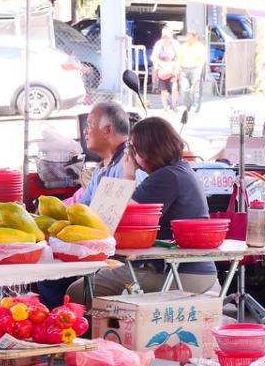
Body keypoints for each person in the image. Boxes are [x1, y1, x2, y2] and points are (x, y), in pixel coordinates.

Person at [66, 118, 217, 302]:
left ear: (146, 151)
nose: (133, 156)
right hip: (187, 267)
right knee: (92, 281)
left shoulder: (166, 177)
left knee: (79, 291)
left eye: (135, 150)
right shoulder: (181, 170)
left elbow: (121, 210)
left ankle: (101, 331)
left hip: (178, 271)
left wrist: (128, 175)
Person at [39, 102, 135, 308]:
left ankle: (66, 329)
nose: (85, 130)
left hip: (120, 255)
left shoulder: (129, 163)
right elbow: (81, 211)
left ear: (107, 129)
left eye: (90, 125)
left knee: (51, 280)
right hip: (97, 247)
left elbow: (128, 211)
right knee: (44, 270)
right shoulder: (102, 167)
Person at [151, 29, 179, 111]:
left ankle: (174, 105)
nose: (166, 39)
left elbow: (178, 58)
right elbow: (153, 57)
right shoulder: (159, 44)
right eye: (164, 37)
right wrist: (161, 64)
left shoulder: (175, 44)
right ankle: (165, 108)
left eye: (168, 37)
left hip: (172, 69)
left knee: (174, 88)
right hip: (162, 70)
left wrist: (176, 69)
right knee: (163, 90)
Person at [178, 31, 207, 111]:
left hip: (195, 69)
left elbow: (202, 59)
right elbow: (179, 58)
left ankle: (196, 106)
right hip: (184, 69)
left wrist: (199, 69)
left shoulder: (200, 47)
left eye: (190, 36)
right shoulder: (183, 46)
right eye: (188, 36)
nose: (188, 38)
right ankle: (188, 105)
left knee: (195, 89)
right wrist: (179, 68)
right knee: (184, 89)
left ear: (195, 37)